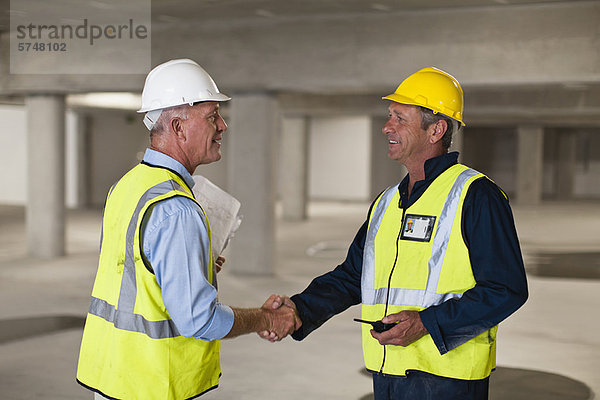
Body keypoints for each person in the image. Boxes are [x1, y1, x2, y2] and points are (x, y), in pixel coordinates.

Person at [263, 67, 528, 399]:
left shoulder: (475, 196)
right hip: (389, 372)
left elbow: (506, 289)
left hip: (447, 379)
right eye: (390, 116)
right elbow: (351, 276)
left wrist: (426, 324)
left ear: (437, 130)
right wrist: (299, 310)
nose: (387, 127)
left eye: (400, 118)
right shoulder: (387, 202)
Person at [76, 59, 300, 400]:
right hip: (152, 383)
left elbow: (134, 270)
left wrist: (193, 264)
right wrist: (265, 319)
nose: (223, 125)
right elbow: (200, 320)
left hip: (113, 374)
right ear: (179, 127)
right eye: (212, 116)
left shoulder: (128, 184)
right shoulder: (177, 208)